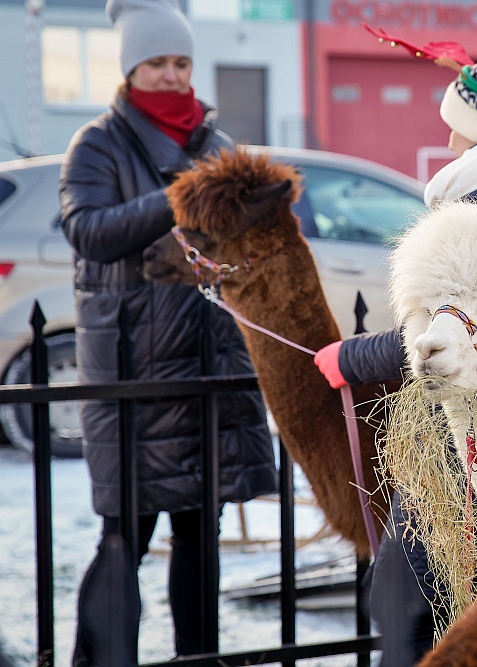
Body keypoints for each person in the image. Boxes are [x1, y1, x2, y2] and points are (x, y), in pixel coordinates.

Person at [314, 47, 477, 659]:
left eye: (457, 124)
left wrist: (353, 359)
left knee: (411, 596)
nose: (450, 138)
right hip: (467, 421)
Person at [60, 1, 277, 664]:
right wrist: (179, 196)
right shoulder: (97, 143)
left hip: (209, 363)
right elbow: (88, 231)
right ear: (130, 68)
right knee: (123, 536)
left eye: (181, 61)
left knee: (200, 535)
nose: (171, 74)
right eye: (156, 62)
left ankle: (197, 658)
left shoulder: (216, 144)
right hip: (136, 373)